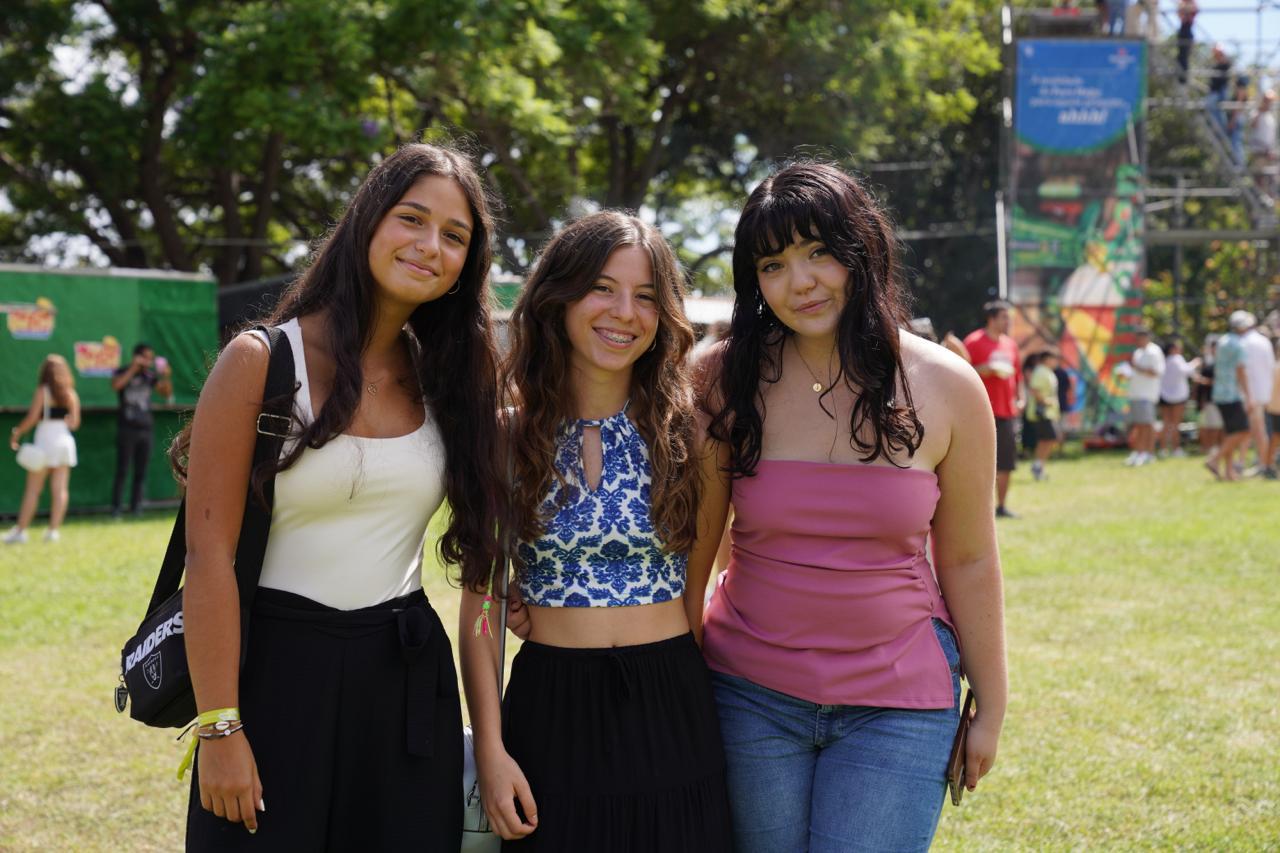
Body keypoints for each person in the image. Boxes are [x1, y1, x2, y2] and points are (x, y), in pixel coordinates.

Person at [177, 142, 505, 848]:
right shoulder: (261, 362)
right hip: (272, 682)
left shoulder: (451, 382)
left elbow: (485, 573)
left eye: (455, 236)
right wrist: (220, 726)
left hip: (407, 685)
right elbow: (206, 557)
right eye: (412, 219)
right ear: (366, 222)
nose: (430, 245)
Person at [694, 163, 1007, 852]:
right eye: (773, 264)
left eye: (818, 252)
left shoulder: (949, 386)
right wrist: (676, 689)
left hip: (899, 703)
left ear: (860, 248)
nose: (800, 281)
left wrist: (992, 704)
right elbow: (697, 546)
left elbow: (970, 556)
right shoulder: (719, 380)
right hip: (746, 693)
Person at [461, 211, 733, 851]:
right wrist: (493, 751)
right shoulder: (505, 436)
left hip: (673, 708)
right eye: (603, 288)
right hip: (548, 708)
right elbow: (481, 609)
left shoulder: (694, 436)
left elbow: (699, 591)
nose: (624, 312)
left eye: (645, 296)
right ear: (559, 298)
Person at [4, 355, 81, 544]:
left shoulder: (43, 391)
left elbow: (31, 418)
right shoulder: (71, 394)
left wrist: (17, 433)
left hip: (46, 441)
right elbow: (75, 423)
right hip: (64, 442)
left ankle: (21, 531)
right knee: (60, 490)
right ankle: (53, 531)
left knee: (33, 489)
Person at [964, 300, 1023, 518]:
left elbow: (1018, 376)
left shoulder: (1010, 344)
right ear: (992, 318)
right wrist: (984, 369)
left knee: (1006, 463)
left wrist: (1021, 398)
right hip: (980, 411)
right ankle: (978, 509)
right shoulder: (973, 342)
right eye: (1004, 317)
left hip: (1007, 411)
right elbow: (961, 371)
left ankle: (1002, 506)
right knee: (977, 464)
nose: (1008, 321)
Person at [110, 342, 173, 518]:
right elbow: (116, 385)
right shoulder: (122, 371)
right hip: (126, 428)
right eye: (145, 357)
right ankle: (116, 508)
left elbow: (166, 393)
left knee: (141, 470)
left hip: (145, 428)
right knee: (122, 469)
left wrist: (166, 377)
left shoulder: (149, 376)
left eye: (150, 358)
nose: (148, 361)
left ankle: (136, 507)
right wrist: (133, 368)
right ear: (136, 356)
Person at [1205, 315, 1252, 481]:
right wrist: (1249, 396)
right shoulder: (1238, 345)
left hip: (1219, 393)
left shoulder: (1222, 341)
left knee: (1230, 432)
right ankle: (1214, 459)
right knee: (1243, 430)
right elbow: (1241, 372)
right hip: (1231, 394)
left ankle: (1229, 472)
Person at [1237, 312, 1277, 477]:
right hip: (1263, 393)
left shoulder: (1242, 342)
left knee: (1256, 430)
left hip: (1249, 394)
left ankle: (1262, 463)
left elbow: (1241, 370)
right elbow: (1270, 367)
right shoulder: (1264, 342)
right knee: (1255, 430)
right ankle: (1252, 462)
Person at [1125, 326, 1164, 466]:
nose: (1138, 341)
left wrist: (1137, 368)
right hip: (1136, 394)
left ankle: (1148, 453)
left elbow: (1156, 372)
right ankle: (1139, 452)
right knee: (1139, 425)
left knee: (1147, 425)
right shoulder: (1138, 352)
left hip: (1147, 395)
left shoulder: (1154, 352)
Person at [1157, 337, 1200, 457]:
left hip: (1164, 396)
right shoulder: (1177, 359)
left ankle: (1163, 449)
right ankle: (1176, 449)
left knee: (1166, 423)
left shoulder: (1164, 360)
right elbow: (1186, 371)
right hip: (1177, 397)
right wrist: (1195, 363)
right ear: (1172, 349)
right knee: (1175, 424)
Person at [1028, 349, 1063, 481]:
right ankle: (1038, 465)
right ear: (1047, 359)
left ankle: (1039, 465)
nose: (1056, 362)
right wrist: (1046, 401)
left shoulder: (1046, 372)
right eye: (1054, 358)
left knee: (1047, 439)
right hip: (1042, 413)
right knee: (1050, 438)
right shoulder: (1041, 372)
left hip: (1048, 413)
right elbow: (1035, 390)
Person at [1193, 334, 1222, 454]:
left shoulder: (1223, 365)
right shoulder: (1208, 364)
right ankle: (1207, 447)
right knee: (1206, 425)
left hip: (1219, 399)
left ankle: (1214, 447)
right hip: (1208, 399)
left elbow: (1218, 381)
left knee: (1216, 425)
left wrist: (1203, 380)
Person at [1250, 89, 1278, 199]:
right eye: (1267, 101)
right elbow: (1253, 126)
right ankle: (1259, 200)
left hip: (1269, 153)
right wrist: (1260, 110)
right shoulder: (1256, 113)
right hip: (1259, 152)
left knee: (1271, 179)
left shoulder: (1271, 116)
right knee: (1259, 178)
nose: (1269, 103)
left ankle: (1270, 200)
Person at [1266, 337, 1280, 474]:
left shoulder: (1274, 366)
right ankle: (1269, 465)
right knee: (1275, 438)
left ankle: (1269, 464)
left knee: (1275, 438)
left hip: (1273, 407)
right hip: (1277, 408)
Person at [1176, 1, 1199, 83]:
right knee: (1180, 57)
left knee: (1184, 57)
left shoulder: (1191, 4)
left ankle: (1183, 79)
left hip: (1187, 31)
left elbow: (1194, 11)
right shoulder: (1183, 4)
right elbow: (1180, 14)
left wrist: (1185, 7)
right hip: (1183, 31)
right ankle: (1181, 78)